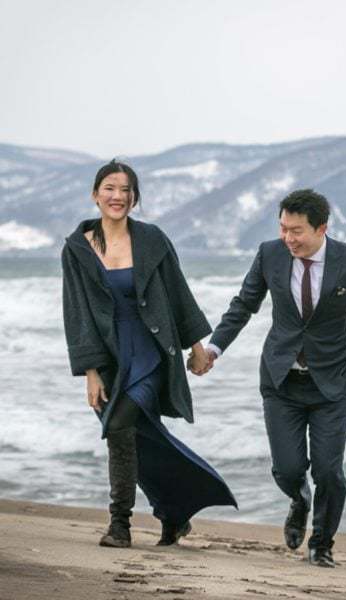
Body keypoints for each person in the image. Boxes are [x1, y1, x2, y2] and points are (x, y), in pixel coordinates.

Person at [198, 189, 346, 567]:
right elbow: (243, 306)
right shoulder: (270, 254)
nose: (288, 238)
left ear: (322, 228)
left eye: (297, 231)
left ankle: (321, 544)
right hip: (281, 381)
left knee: (329, 471)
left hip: (332, 384)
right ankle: (299, 498)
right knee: (287, 469)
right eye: (283, 229)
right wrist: (214, 349)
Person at [61, 159, 237, 548]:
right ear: (95, 194)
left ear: (135, 198)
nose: (117, 196)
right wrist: (90, 370)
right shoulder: (76, 249)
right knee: (138, 439)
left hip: (152, 351)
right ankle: (174, 513)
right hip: (109, 358)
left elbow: (178, 292)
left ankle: (119, 525)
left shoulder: (152, 239)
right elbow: (76, 312)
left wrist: (196, 349)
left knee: (121, 428)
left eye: (126, 190)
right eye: (109, 188)